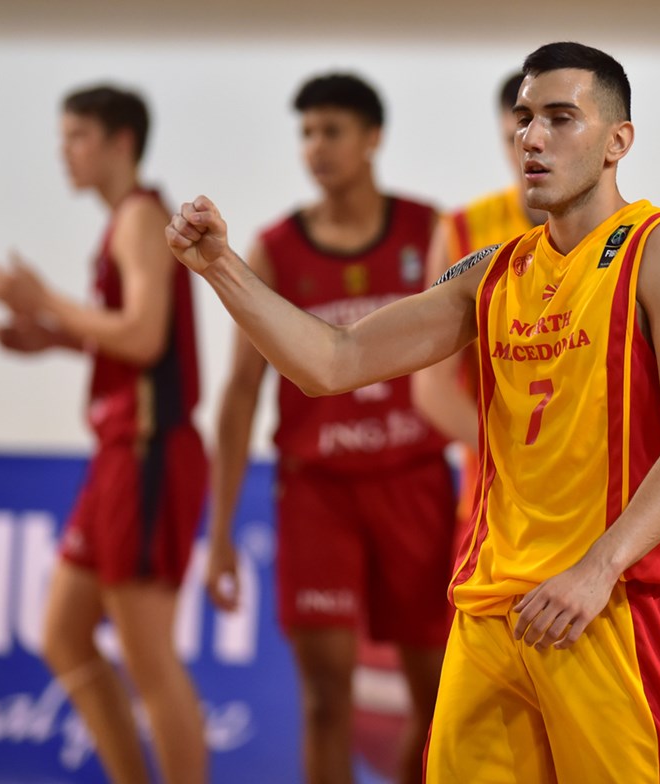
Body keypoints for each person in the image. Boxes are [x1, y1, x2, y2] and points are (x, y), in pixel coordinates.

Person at [168, 41, 660, 783]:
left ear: (617, 141)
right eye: (524, 118)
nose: (532, 137)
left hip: (613, 606)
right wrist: (220, 268)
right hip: (493, 612)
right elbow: (333, 362)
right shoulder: (491, 271)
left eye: (561, 118)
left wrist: (599, 568)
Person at [203, 73, 455, 784]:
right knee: (323, 699)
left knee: (442, 697)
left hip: (414, 483)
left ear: (373, 138)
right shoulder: (275, 249)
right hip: (318, 492)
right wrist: (219, 535)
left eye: (333, 130)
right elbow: (240, 395)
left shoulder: (431, 232)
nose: (316, 146)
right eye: (307, 132)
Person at [0, 85, 208, 784]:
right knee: (63, 635)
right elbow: (133, 342)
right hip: (120, 453)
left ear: (121, 141)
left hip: (148, 451)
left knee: (149, 657)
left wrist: (46, 299)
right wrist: (55, 337)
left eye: (77, 137)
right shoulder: (125, 220)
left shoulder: (140, 217)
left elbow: (142, 337)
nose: (65, 153)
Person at [412, 71, 546, 538]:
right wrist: (517, 458)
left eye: (548, 132)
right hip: (496, 501)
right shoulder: (463, 232)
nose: (530, 151)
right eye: (515, 137)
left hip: (600, 500)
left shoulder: (628, 237)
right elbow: (432, 387)